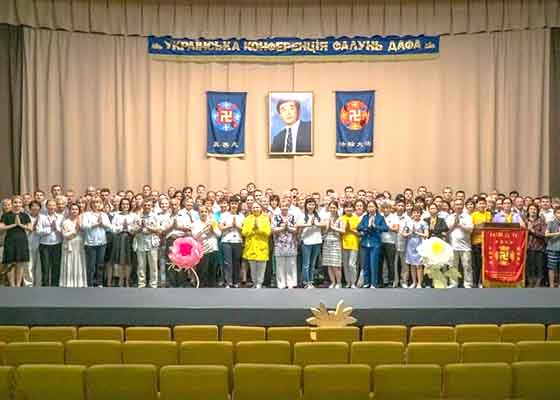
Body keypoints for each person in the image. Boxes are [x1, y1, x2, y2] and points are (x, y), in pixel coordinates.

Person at [0, 196, 32, 287]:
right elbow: (1, 227)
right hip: (10, 240)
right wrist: (14, 224)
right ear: (12, 204)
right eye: (15, 202)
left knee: (20, 263)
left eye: (19, 202)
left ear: (21, 204)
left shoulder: (25, 215)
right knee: (9, 262)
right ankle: (12, 285)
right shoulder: (6, 215)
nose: (17, 204)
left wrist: (21, 225)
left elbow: (30, 228)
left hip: (21, 240)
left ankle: (18, 285)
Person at [81, 196, 111, 287]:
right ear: (91, 204)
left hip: (102, 243)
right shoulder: (86, 214)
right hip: (90, 243)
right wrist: (94, 224)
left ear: (101, 204)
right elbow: (83, 226)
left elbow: (110, 227)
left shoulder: (104, 215)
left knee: (100, 264)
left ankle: (99, 283)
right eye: (94, 202)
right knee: (91, 266)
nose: (96, 204)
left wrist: (103, 224)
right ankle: (90, 283)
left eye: (98, 202)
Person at [358, 201, 388, 289]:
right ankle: (367, 282)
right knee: (365, 264)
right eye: (369, 207)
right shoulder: (365, 217)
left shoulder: (380, 217)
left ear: (376, 208)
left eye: (372, 206)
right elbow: (359, 227)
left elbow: (385, 228)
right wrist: (366, 227)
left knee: (373, 264)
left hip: (375, 243)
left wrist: (375, 226)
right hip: (365, 243)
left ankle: (374, 283)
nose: (370, 208)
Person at [241, 202, 271, 289]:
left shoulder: (265, 219)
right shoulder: (248, 219)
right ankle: (254, 283)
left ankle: (259, 283)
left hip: (262, 247)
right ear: (251, 209)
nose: (255, 209)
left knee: (261, 268)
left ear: (261, 208)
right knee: (253, 268)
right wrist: (253, 230)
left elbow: (268, 232)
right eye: (254, 207)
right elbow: (244, 232)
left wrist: (259, 229)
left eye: (257, 207)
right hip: (251, 247)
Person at [132, 200, 160, 289]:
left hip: (152, 242)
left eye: (149, 205)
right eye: (145, 205)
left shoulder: (155, 216)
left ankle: (153, 284)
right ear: (142, 206)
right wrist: (140, 228)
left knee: (153, 266)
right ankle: (141, 284)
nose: (147, 206)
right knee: (141, 265)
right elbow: (132, 231)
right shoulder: (137, 217)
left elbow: (159, 230)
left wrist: (148, 227)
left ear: (151, 206)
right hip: (140, 242)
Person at [111, 198, 138, 287]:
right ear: (120, 205)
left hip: (130, 237)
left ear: (129, 205)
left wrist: (129, 228)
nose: (125, 206)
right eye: (123, 204)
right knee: (120, 259)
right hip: (120, 238)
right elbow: (113, 228)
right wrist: (122, 228)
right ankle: (121, 279)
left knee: (129, 260)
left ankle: (127, 279)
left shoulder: (134, 215)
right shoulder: (117, 215)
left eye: (127, 204)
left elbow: (137, 227)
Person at [447, 199, 474, 288]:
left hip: (465, 247)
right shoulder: (450, 217)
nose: (458, 206)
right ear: (453, 206)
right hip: (452, 246)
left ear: (463, 206)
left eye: (460, 204)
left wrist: (460, 225)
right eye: (456, 204)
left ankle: (468, 284)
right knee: (452, 266)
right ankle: (453, 283)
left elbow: (470, 229)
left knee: (467, 267)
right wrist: (454, 224)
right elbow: (446, 231)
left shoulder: (467, 217)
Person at [36, 199, 64, 286]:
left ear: (56, 206)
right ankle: (45, 287)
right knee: (45, 267)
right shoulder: (41, 217)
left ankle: (55, 286)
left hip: (57, 244)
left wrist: (57, 228)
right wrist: (50, 229)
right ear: (46, 206)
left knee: (56, 267)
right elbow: (38, 231)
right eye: (50, 205)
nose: (51, 207)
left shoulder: (61, 217)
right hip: (45, 245)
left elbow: (63, 230)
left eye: (53, 205)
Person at [297, 198, 323, 289]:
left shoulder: (319, 215)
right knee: (306, 263)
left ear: (315, 205)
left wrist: (316, 223)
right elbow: (298, 225)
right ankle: (305, 282)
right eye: (309, 204)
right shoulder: (301, 215)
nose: (311, 206)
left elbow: (324, 224)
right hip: (306, 241)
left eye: (312, 204)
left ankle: (311, 282)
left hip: (317, 241)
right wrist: (309, 224)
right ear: (306, 205)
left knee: (313, 263)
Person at [272, 199, 298, 289]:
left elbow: (296, 230)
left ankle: (291, 283)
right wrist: (284, 228)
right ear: (280, 207)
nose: (284, 208)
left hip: (291, 244)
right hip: (279, 244)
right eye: (283, 206)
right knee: (280, 265)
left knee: (291, 264)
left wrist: (289, 228)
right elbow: (273, 230)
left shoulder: (293, 217)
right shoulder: (276, 217)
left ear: (288, 207)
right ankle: (281, 283)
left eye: (286, 206)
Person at [59, 203, 87, 287]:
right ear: (69, 211)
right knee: (68, 263)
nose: (74, 211)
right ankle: (68, 282)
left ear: (79, 211)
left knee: (79, 262)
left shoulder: (82, 221)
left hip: (79, 245)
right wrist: (75, 231)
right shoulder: (65, 222)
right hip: (68, 246)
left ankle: (79, 282)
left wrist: (80, 228)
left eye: (76, 209)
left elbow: (85, 233)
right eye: (72, 209)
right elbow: (65, 235)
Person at [219, 197, 245, 288]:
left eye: (235, 204)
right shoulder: (224, 215)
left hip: (237, 241)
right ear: (229, 204)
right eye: (232, 203)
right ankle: (228, 282)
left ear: (238, 205)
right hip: (226, 241)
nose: (234, 205)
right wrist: (230, 225)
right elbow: (221, 228)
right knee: (227, 262)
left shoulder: (241, 216)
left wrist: (237, 226)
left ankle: (236, 281)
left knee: (237, 262)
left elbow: (244, 230)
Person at [402, 206, 428, 288]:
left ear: (420, 214)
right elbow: (403, 234)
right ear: (412, 214)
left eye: (418, 213)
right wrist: (410, 233)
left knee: (419, 265)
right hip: (410, 245)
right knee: (412, 265)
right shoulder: (408, 222)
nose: (416, 214)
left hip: (420, 246)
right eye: (414, 212)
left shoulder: (423, 223)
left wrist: (417, 232)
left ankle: (420, 283)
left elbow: (426, 235)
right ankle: (414, 282)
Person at [322, 201, 345, 288]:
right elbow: (323, 231)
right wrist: (327, 228)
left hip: (336, 242)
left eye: (334, 207)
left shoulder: (341, 218)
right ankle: (333, 282)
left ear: (337, 208)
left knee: (336, 265)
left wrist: (333, 228)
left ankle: (339, 282)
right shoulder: (326, 218)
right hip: (327, 242)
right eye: (331, 207)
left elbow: (343, 231)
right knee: (329, 264)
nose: (332, 209)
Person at [470, 198, 492, 287]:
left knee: (486, 264)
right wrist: (482, 226)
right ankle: (475, 283)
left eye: (483, 203)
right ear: (477, 205)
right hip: (476, 243)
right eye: (480, 203)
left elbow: (490, 227)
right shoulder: (473, 215)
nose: (482, 205)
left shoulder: (489, 214)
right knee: (477, 265)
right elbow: (472, 229)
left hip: (487, 243)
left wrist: (481, 226)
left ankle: (484, 282)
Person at [526, 203, 546, 288]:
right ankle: (530, 281)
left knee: (539, 266)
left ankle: (538, 283)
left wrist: (532, 230)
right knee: (530, 266)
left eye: (534, 209)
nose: (532, 211)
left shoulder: (541, 221)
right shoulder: (525, 221)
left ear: (537, 211)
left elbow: (543, 234)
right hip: (528, 248)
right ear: (528, 211)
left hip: (539, 247)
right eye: (531, 209)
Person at [340, 202, 360, 288]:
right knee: (345, 264)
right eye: (347, 207)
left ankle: (353, 282)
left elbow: (359, 233)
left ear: (353, 209)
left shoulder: (356, 218)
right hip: (344, 243)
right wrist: (344, 230)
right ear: (344, 209)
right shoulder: (341, 218)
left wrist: (350, 229)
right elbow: (340, 231)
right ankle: (348, 282)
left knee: (352, 264)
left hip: (354, 243)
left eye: (350, 207)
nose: (348, 209)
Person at [380, 201, 399, 287]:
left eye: (387, 208)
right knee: (381, 263)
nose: (385, 210)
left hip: (390, 242)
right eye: (384, 208)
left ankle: (391, 281)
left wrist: (385, 227)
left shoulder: (394, 217)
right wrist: (388, 227)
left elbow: (396, 228)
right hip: (380, 242)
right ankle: (384, 281)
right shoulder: (380, 217)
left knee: (390, 263)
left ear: (390, 209)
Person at [26, 200, 42, 286]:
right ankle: (29, 284)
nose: (35, 208)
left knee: (39, 266)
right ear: (30, 208)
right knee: (29, 265)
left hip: (41, 244)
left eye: (37, 206)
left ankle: (38, 284)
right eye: (33, 206)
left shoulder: (42, 217)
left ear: (40, 208)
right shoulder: (26, 217)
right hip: (29, 243)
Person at [545, 207, 560, 288]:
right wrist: (557, 233)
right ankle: (551, 285)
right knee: (552, 268)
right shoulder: (551, 223)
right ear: (555, 214)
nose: (559, 215)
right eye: (558, 213)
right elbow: (546, 234)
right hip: (552, 248)